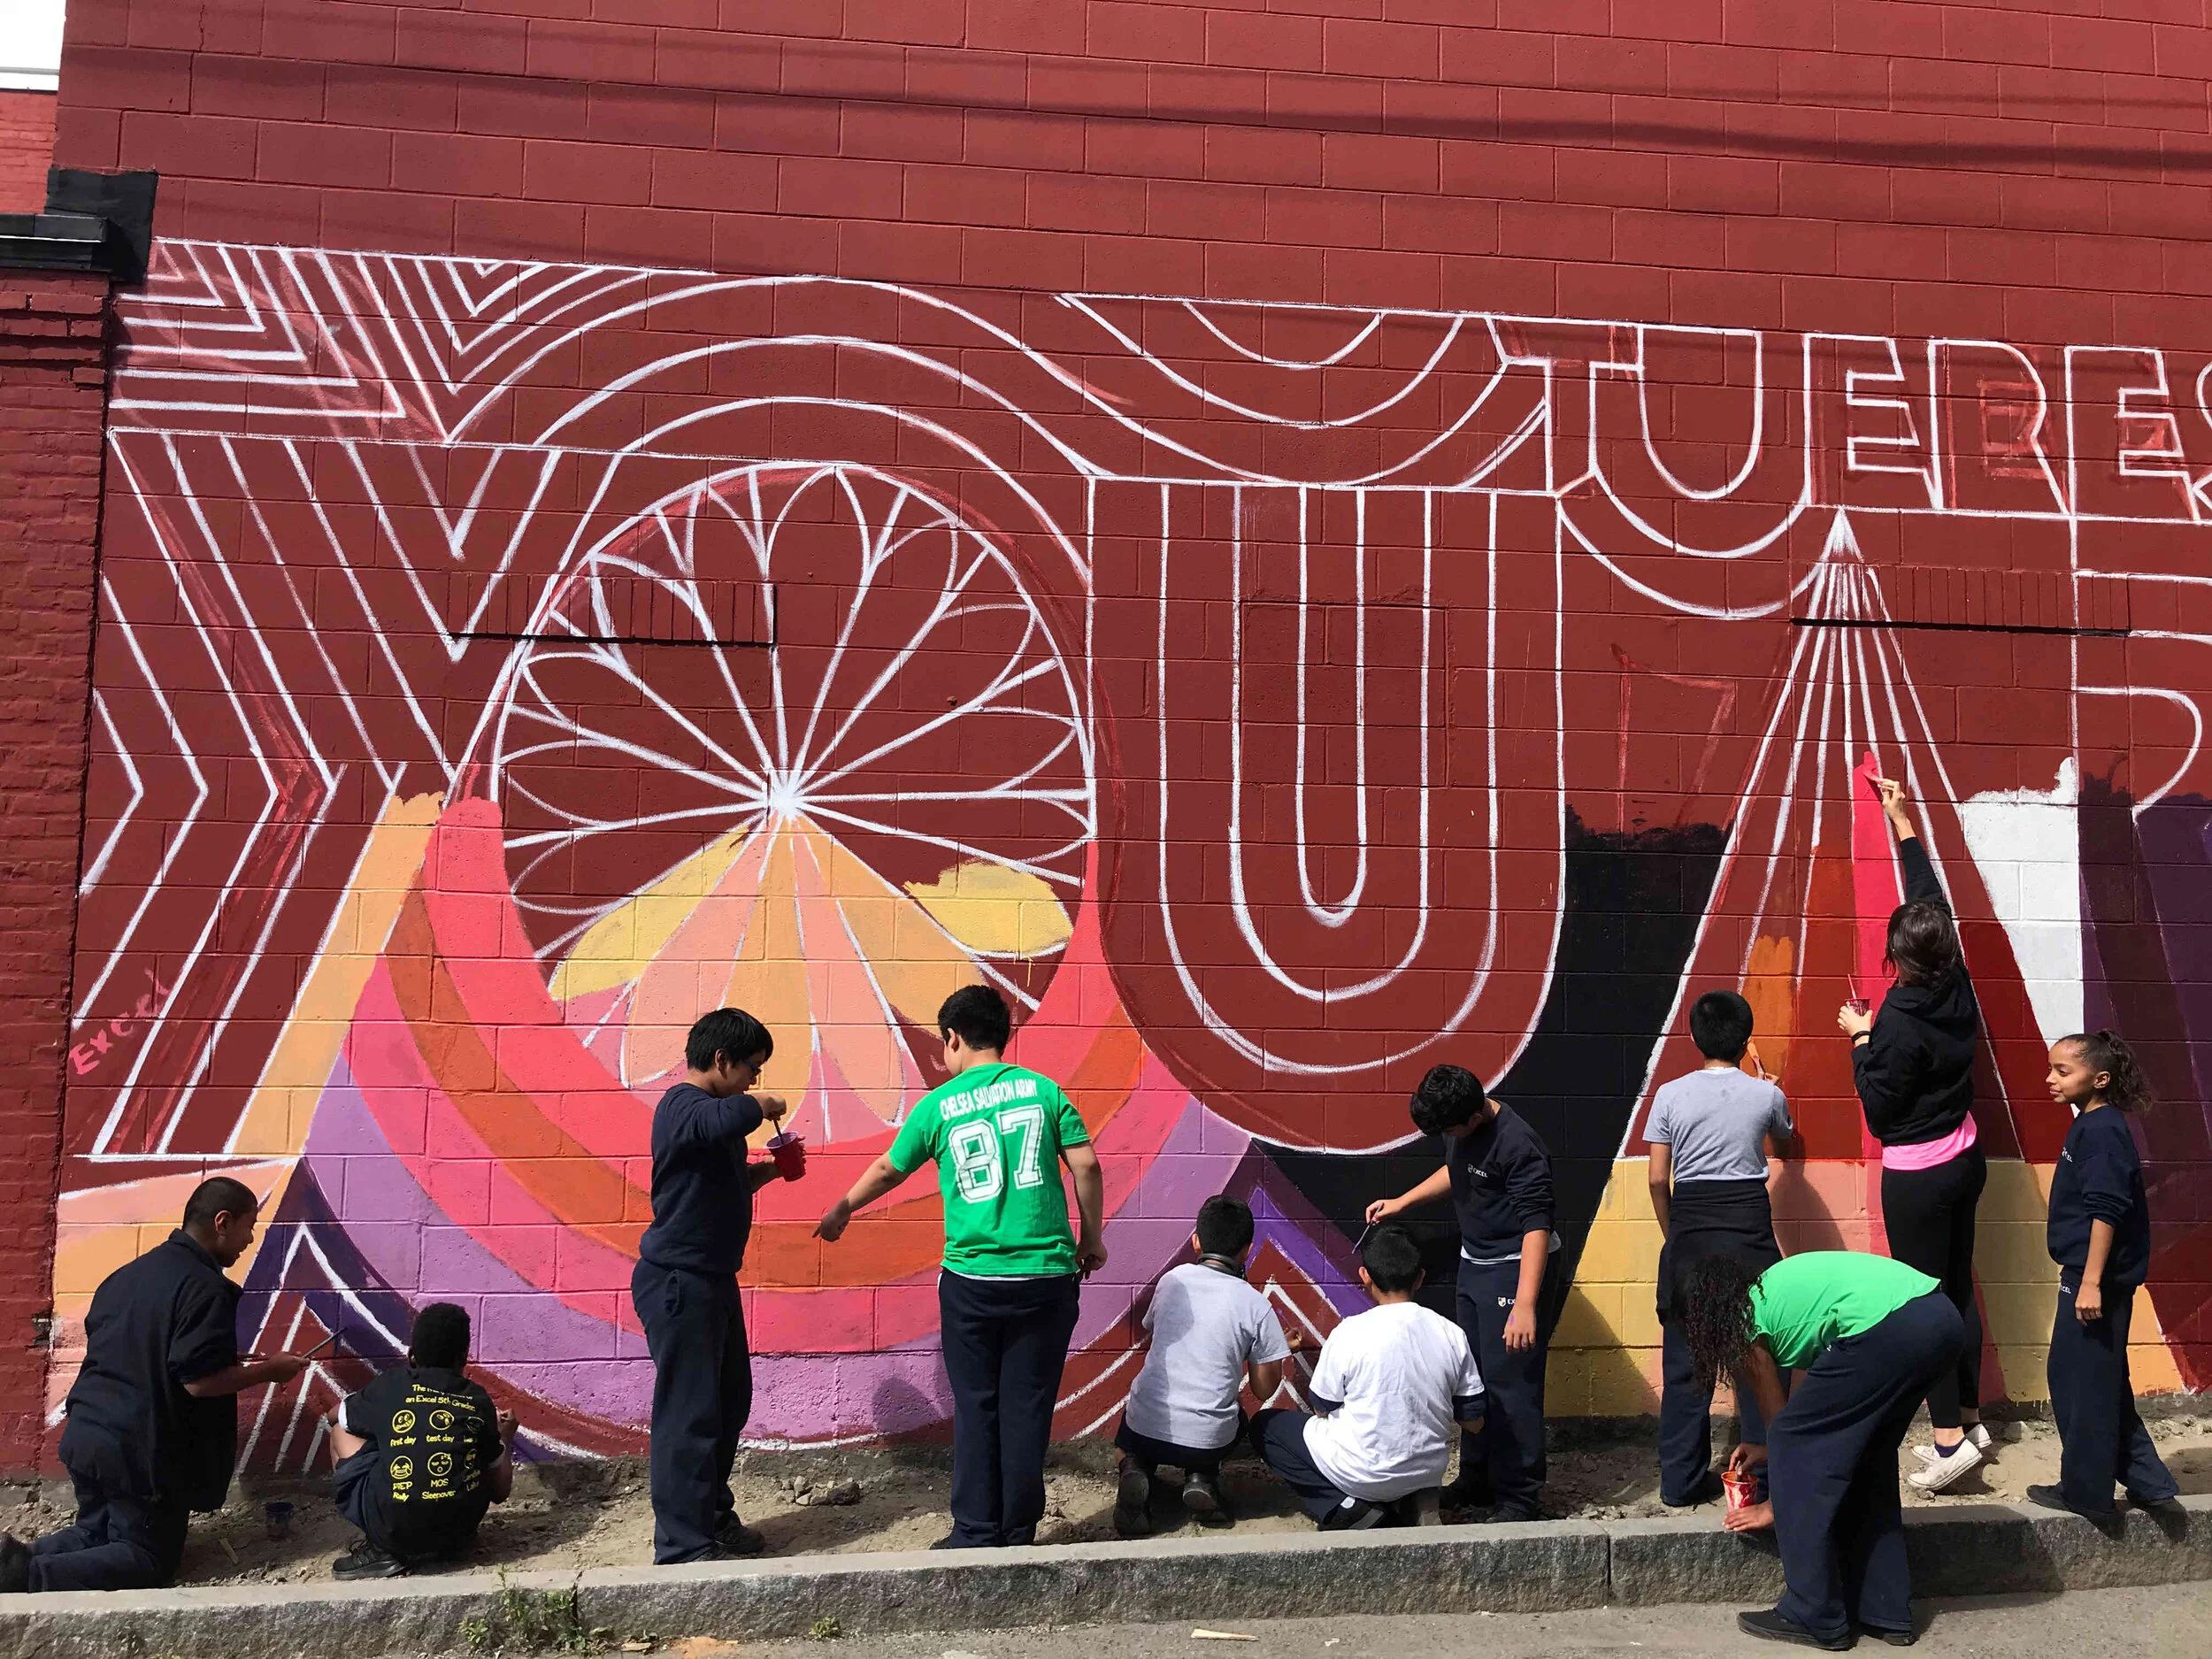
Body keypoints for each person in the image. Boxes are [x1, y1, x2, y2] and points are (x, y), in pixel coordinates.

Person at [815, 984, 1106, 1549]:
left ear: (952, 1038)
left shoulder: (939, 1105)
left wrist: (844, 1206)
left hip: (973, 1282)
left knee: (977, 1406)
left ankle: (975, 1531)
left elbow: (890, 1169)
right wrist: (1091, 1239)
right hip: (1046, 1278)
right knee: (1028, 1407)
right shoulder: (1046, 1092)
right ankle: (1018, 1530)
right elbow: (1087, 1167)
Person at [0, 1177, 309, 1594]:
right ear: (222, 1222)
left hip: (88, 1432)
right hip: (137, 1450)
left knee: (95, 1531)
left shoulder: (125, 1277)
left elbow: (146, 1353)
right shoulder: (206, 1287)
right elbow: (198, 1382)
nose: (250, 1239)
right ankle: (24, 1578)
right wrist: (269, 1371)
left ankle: (11, 1560)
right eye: (248, 1226)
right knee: (147, 1557)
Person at [1680, 1250, 1964, 1650]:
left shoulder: (1746, 1321)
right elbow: (1808, 1413)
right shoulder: (1781, 1293)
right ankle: (1884, 1611)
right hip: (1939, 1317)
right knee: (1867, 1457)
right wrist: (1770, 1447)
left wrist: (1776, 1504)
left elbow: (1785, 1430)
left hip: (1889, 1327)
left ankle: (1812, 1615)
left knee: (1796, 1443)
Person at [1838, 777, 1990, 1494]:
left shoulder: (1896, 1019)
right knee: (1957, 1287)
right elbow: (1933, 902)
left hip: (1920, 1176)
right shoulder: (1956, 980)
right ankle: (1972, 1418)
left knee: (1923, 1302)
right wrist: (1901, 820)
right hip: (1965, 1155)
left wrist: (1860, 1038)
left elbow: (1879, 1110)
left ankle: (1950, 1440)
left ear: (1899, 958)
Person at [633, 1007, 792, 1565]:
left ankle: (710, 1516)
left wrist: (768, 1171)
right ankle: (683, 1546)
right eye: (751, 1068)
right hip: (679, 1281)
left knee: (727, 1403)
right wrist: (763, 1105)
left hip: (712, 1279)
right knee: (690, 1413)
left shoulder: (711, 1120)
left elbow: (722, 1180)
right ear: (722, 1060)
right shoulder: (682, 1105)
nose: (754, 1080)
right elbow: (719, 1121)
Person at [1363, 1063, 1555, 1520]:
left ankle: (1519, 1497)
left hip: (1513, 1269)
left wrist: (1525, 1304)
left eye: (1450, 1130)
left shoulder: (1519, 1145)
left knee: (1512, 1385)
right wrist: (1401, 1203)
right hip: (1475, 1264)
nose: (1448, 1137)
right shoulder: (1460, 1126)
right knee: (1473, 1378)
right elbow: (1460, 1170)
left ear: (1473, 1117)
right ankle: (1476, 1479)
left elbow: (1537, 1226)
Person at [2028, 1031, 2182, 1531]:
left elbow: (2106, 1210)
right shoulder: (2093, 1125)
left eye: (2062, 1071)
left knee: (2080, 1384)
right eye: (2051, 1069)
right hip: (2090, 1274)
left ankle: (2087, 1493)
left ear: (2100, 1079)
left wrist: (2090, 1281)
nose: (2050, 1079)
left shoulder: (2102, 1132)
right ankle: (2149, 1481)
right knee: (2099, 1378)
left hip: (2094, 1278)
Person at [1647, 989, 1793, 1509]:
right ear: (1746, 1038)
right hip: (1750, 1232)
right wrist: (1769, 1090)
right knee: (1761, 1356)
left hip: (1690, 1233)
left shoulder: (1669, 1095)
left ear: (1693, 1036)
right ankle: (1766, 1481)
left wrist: (1676, 1235)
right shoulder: (1766, 1096)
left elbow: (1657, 1179)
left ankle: (1680, 1483)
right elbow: (1784, 1139)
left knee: (1686, 1366)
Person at [1250, 1224, 1485, 1531]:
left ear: (1365, 1276)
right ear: (1420, 1278)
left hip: (1361, 1475)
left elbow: (1322, 1407)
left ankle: (1348, 1508)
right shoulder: (1452, 1334)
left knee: (1265, 1426)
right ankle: (1412, 1501)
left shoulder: (1349, 1331)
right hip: (1426, 1474)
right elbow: (1474, 1422)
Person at [1110, 1194, 1293, 1537]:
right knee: (1233, 1418)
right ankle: (1201, 1477)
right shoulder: (1255, 1305)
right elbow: (1263, 1389)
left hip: (1145, 1424)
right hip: (1207, 1438)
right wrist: (1272, 1352)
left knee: (1128, 1439)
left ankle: (1135, 1467)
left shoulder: (1172, 1280)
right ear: (1247, 1251)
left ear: (1196, 1241)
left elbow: (1157, 1331)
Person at [326, 1302, 517, 1579]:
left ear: (411, 1355)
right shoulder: (478, 1400)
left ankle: (380, 1548)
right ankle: (445, 1544)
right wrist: (505, 1437)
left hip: (393, 1529)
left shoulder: (391, 1385)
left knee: (340, 1432)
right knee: (480, 1454)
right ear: (463, 1358)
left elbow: (335, 1415)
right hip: (459, 1532)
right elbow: (500, 1493)